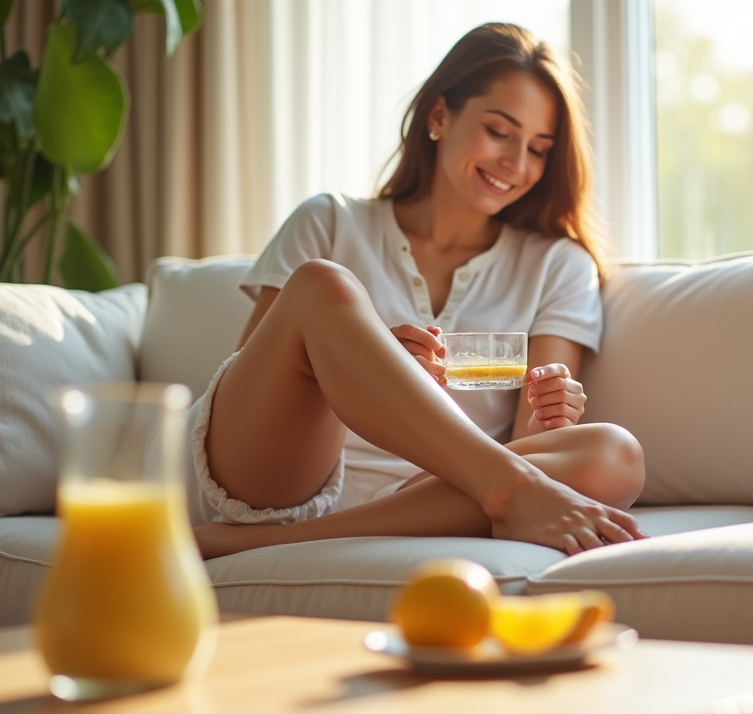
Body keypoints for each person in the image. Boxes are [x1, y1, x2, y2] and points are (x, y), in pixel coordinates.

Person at [190, 22, 647, 560]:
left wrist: (550, 415)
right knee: (324, 283)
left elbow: (531, 439)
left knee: (616, 453)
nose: (517, 164)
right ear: (438, 116)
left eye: (539, 149)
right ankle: (505, 486)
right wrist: (369, 371)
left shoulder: (558, 265)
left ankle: (269, 545)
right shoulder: (330, 221)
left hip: (426, 496)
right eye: (499, 131)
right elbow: (252, 376)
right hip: (280, 475)